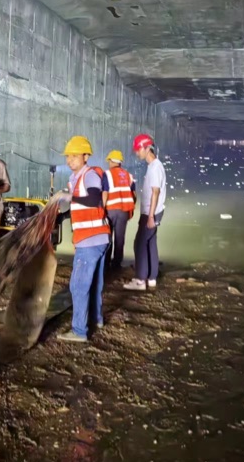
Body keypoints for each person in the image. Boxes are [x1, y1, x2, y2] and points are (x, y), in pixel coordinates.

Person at [50, 136, 110, 343]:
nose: (70, 160)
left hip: (90, 241)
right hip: (98, 238)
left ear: (86, 156)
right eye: (68, 156)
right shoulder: (77, 179)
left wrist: (67, 197)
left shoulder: (90, 175)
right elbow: (81, 208)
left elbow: (93, 200)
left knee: (78, 285)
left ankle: (79, 331)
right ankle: (97, 319)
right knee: (94, 284)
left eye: (74, 156)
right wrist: (62, 215)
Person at [124, 134, 167, 290]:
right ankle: (152, 278)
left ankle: (140, 280)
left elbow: (155, 192)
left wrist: (150, 216)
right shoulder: (155, 166)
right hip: (155, 211)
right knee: (150, 243)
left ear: (147, 148)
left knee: (140, 244)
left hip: (151, 213)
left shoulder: (155, 167)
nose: (137, 153)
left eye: (138, 149)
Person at [102, 150, 136, 269]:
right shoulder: (129, 175)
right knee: (120, 238)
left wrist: (102, 208)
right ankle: (117, 264)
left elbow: (105, 192)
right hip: (124, 211)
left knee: (107, 236)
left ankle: (106, 263)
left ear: (111, 161)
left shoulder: (107, 174)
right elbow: (134, 195)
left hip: (110, 209)